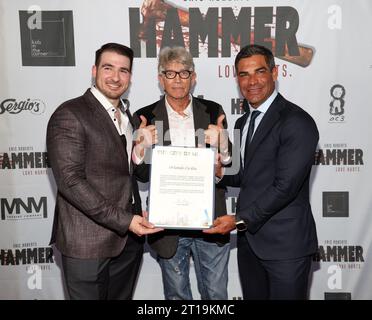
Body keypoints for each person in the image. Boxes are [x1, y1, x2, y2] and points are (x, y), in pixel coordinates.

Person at [46, 43, 162, 300]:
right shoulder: (70, 114)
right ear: (94, 70)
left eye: (124, 70)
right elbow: (71, 182)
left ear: (130, 77)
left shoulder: (127, 115)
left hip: (128, 243)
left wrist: (140, 150)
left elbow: (126, 174)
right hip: (88, 243)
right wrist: (126, 220)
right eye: (108, 68)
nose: (115, 77)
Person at [204, 44, 319, 300]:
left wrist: (237, 219)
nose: (252, 81)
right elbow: (246, 175)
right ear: (237, 79)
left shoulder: (297, 121)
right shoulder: (243, 121)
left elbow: (285, 187)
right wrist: (216, 170)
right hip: (250, 245)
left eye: (260, 72)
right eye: (243, 74)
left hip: (286, 247)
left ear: (275, 73)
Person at [133, 46, 230, 300]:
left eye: (184, 73)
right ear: (160, 78)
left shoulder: (212, 111)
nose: (177, 79)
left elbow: (231, 168)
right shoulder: (145, 118)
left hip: (210, 220)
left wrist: (223, 147)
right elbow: (141, 175)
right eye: (170, 73)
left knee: (216, 294)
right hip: (167, 224)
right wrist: (141, 147)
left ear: (194, 77)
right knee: (176, 295)